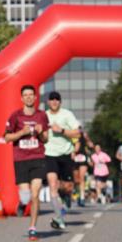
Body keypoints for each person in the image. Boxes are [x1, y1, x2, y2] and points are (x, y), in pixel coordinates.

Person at [3, 85, 50, 240]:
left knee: (35, 194)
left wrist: (40, 132)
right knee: (25, 196)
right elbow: (6, 137)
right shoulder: (15, 116)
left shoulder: (42, 116)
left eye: (31, 94)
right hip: (21, 159)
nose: (29, 97)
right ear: (21, 98)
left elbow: (46, 139)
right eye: (26, 95)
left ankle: (32, 227)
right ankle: (23, 204)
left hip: (37, 157)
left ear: (35, 97)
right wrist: (22, 133)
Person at [43, 91, 80, 230]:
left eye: (56, 100)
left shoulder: (67, 114)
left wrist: (62, 131)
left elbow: (77, 132)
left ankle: (66, 197)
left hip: (65, 153)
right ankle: (59, 218)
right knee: (53, 184)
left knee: (67, 187)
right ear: (48, 102)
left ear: (60, 102)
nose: (54, 102)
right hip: (49, 154)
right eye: (51, 99)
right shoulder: (44, 115)